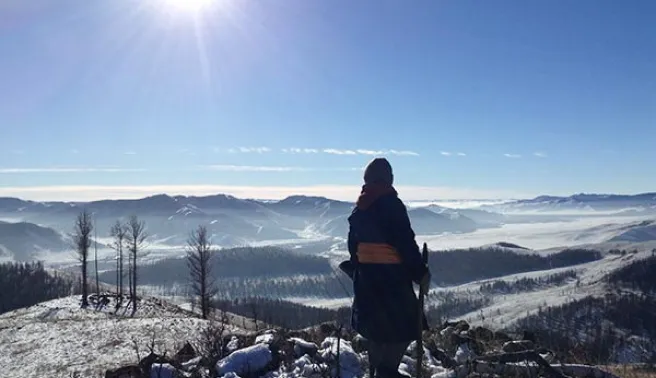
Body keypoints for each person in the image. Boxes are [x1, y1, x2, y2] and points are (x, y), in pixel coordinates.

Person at [341, 157, 431, 378]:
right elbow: (405, 243)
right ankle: (386, 372)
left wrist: (356, 267)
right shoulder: (391, 205)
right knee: (406, 327)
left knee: (377, 331)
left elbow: (353, 245)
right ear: (388, 179)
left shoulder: (359, 209)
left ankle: (379, 370)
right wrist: (420, 272)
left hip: (366, 282)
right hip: (392, 283)